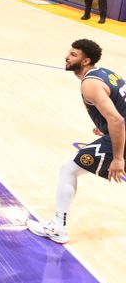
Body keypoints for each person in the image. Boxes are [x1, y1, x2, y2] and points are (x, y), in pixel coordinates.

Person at [27, 39, 125, 244]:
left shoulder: (90, 83)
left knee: (68, 169)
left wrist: (117, 157)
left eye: (73, 55)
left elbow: (117, 119)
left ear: (86, 60)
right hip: (117, 130)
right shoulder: (106, 73)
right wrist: (106, 128)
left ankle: (58, 228)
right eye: (69, 53)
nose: (67, 57)